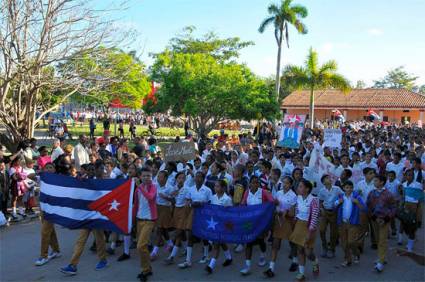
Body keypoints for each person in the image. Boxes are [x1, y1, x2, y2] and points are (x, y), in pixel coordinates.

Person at [60, 162, 108, 276]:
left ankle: (103, 260)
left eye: (103, 168)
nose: (103, 170)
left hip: (97, 215)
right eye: (100, 168)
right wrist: (79, 183)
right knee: (81, 240)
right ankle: (73, 265)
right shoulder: (84, 180)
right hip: (87, 215)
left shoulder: (104, 181)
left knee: (99, 239)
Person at [239, 176, 273, 276]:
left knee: (260, 240)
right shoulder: (246, 192)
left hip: (261, 221)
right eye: (252, 183)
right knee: (248, 242)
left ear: (259, 184)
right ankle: (247, 266)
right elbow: (243, 204)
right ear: (249, 184)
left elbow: (271, 202)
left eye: (256, 183)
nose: (254, 184)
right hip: (249, 221)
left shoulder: (263, 192)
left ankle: (262, 255)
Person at [264, 176, 297, 278]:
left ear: (291, 185)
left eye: (287, 183)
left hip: (288, 221)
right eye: (283, 183)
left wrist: (283, 211)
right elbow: (274, 205)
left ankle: (295, 260)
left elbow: (292, 212)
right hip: (278, 220)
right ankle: (271, 268)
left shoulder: (293, 196)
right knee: (275, 244)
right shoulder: (278, 193)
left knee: (291, 242)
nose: (284, 185)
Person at [178, 171, 212, 269]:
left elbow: (210, 203)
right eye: (196, 177)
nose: (197, 178)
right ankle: (188, 260)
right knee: (190, 235)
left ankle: (206, 255)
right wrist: (190, 204)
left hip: (203, 214)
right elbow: (187, 200)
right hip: (192, 213)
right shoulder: (191, 189)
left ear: (203, 179)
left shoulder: (207, 190)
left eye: (200, 177)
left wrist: (202, 204)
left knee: (203, 235)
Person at [289, 179, 320, 281]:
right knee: (300, 250)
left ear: (307, 189)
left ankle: (315, 261)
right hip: (299, 225)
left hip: (309, 227)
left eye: (301, 186)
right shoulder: (297, 198)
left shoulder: (314, 200)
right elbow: (297, 212)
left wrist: (310, 233)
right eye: (298, 186)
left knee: (308, 252)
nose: (298, 188)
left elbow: (314, 217)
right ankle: (301, 273)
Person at [366, 175, 397, 272]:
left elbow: (394, 207)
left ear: (382, 182)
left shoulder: (388, 194)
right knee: (378, 239)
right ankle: (382, 256)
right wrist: (374, 217)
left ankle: (381, 262)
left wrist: (387, 218)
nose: (374, 182)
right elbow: (368, 206)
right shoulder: (371, 193)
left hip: (385, 220)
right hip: (375, 220)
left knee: (382, 240)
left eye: (376, 180)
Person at [35, 163, 61, 266]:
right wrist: (40, 173)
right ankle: (56, 250)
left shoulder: (58, 180)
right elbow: (29, 176)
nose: (49, 169)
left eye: (51, 167)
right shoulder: (42, 178)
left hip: (52, 208)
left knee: (45, 232)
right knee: (50, 231)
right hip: (43, 207)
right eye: (47, 168)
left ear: (54, 170)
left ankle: (43, 256)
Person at [335, 180, 366, 267]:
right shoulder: (341, 197)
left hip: (353, 223)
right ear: (343, 188)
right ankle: (347, 259)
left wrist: (357, 202)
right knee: (344, 243)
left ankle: (356, 253)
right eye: (347, 187)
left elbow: (364, 208)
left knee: (351, 242)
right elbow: (334, 206)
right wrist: (338, 202)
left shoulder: (357, 197)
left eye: (351, 187)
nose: (349, 189)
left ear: (353, 188)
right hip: (342, 223)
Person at [205, 180, 233, 274]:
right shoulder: (213, 197)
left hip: (223, 225)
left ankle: (211, 266)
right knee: (221, 242)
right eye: (215, 186)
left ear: (223, 188)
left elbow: (230, 213)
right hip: (214, 224)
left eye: (217, 186)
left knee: (216, 244)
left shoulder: (227, 199)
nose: (215, 188)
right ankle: (229, 258)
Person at [134, 167, 157, 282]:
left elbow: (150, 198)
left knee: (140, 246)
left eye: (149, 176)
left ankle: (145, 269)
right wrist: (132, 219)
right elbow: (136, 205)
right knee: (142, 246)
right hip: (139, 220)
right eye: (144, 176)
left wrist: (139, 186)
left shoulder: (153, 187)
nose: (146, 178)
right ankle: (147, 269)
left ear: (151, 177)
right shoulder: (138, 190)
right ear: (140, 177)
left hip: (149, 220)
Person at [164, 172, 189, 265]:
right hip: (176, 210)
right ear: (176, 179)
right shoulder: (174, 188)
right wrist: (173, 194)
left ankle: (172, 256)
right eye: (179, 178)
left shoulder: (187, 189)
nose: (181, 180)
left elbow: (187, 202)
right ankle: (186, 248)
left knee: (178, 233)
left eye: (183, 178)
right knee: (181, 232)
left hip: (183, 211)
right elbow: (171, 199)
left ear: (185, 179)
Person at [150, 170, 174, 261]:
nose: (159, 178)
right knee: (163, 228)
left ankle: (154, 252)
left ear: (166, 178)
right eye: (158, 176)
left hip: (165, 209)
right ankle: (170, 243)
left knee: (159, 229)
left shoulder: (170, 188)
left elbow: (173, 201)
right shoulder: (154, 185)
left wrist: (166, 197)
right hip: (156, 208)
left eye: (161, 177)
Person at [318, 174, 343, 258]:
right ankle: (324, 247)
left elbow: (343, 196)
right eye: (327, 178)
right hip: (325, 211)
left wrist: (340, 201)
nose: (329, 179)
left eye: (329, 178)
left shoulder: (337, 189)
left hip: (334, 212)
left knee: (333, 232)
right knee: (322, 230)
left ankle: (332, 249)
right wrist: (321, 209)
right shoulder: (321, 191)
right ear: (323, 182)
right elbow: (320, 201)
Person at [398, 169, 423, 253]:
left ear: (414, 176)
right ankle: (400, 239)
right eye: (407, 175)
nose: (409, 176)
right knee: (403, 222)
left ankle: (410, 246)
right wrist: (402, 206)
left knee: (412, 226)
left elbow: (420, 199)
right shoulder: (404, 184)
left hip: (414, 206)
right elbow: (403, 196)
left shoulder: (418, 185)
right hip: (406, 205)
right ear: (405, 176)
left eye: (411, 175)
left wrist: (418, 212)